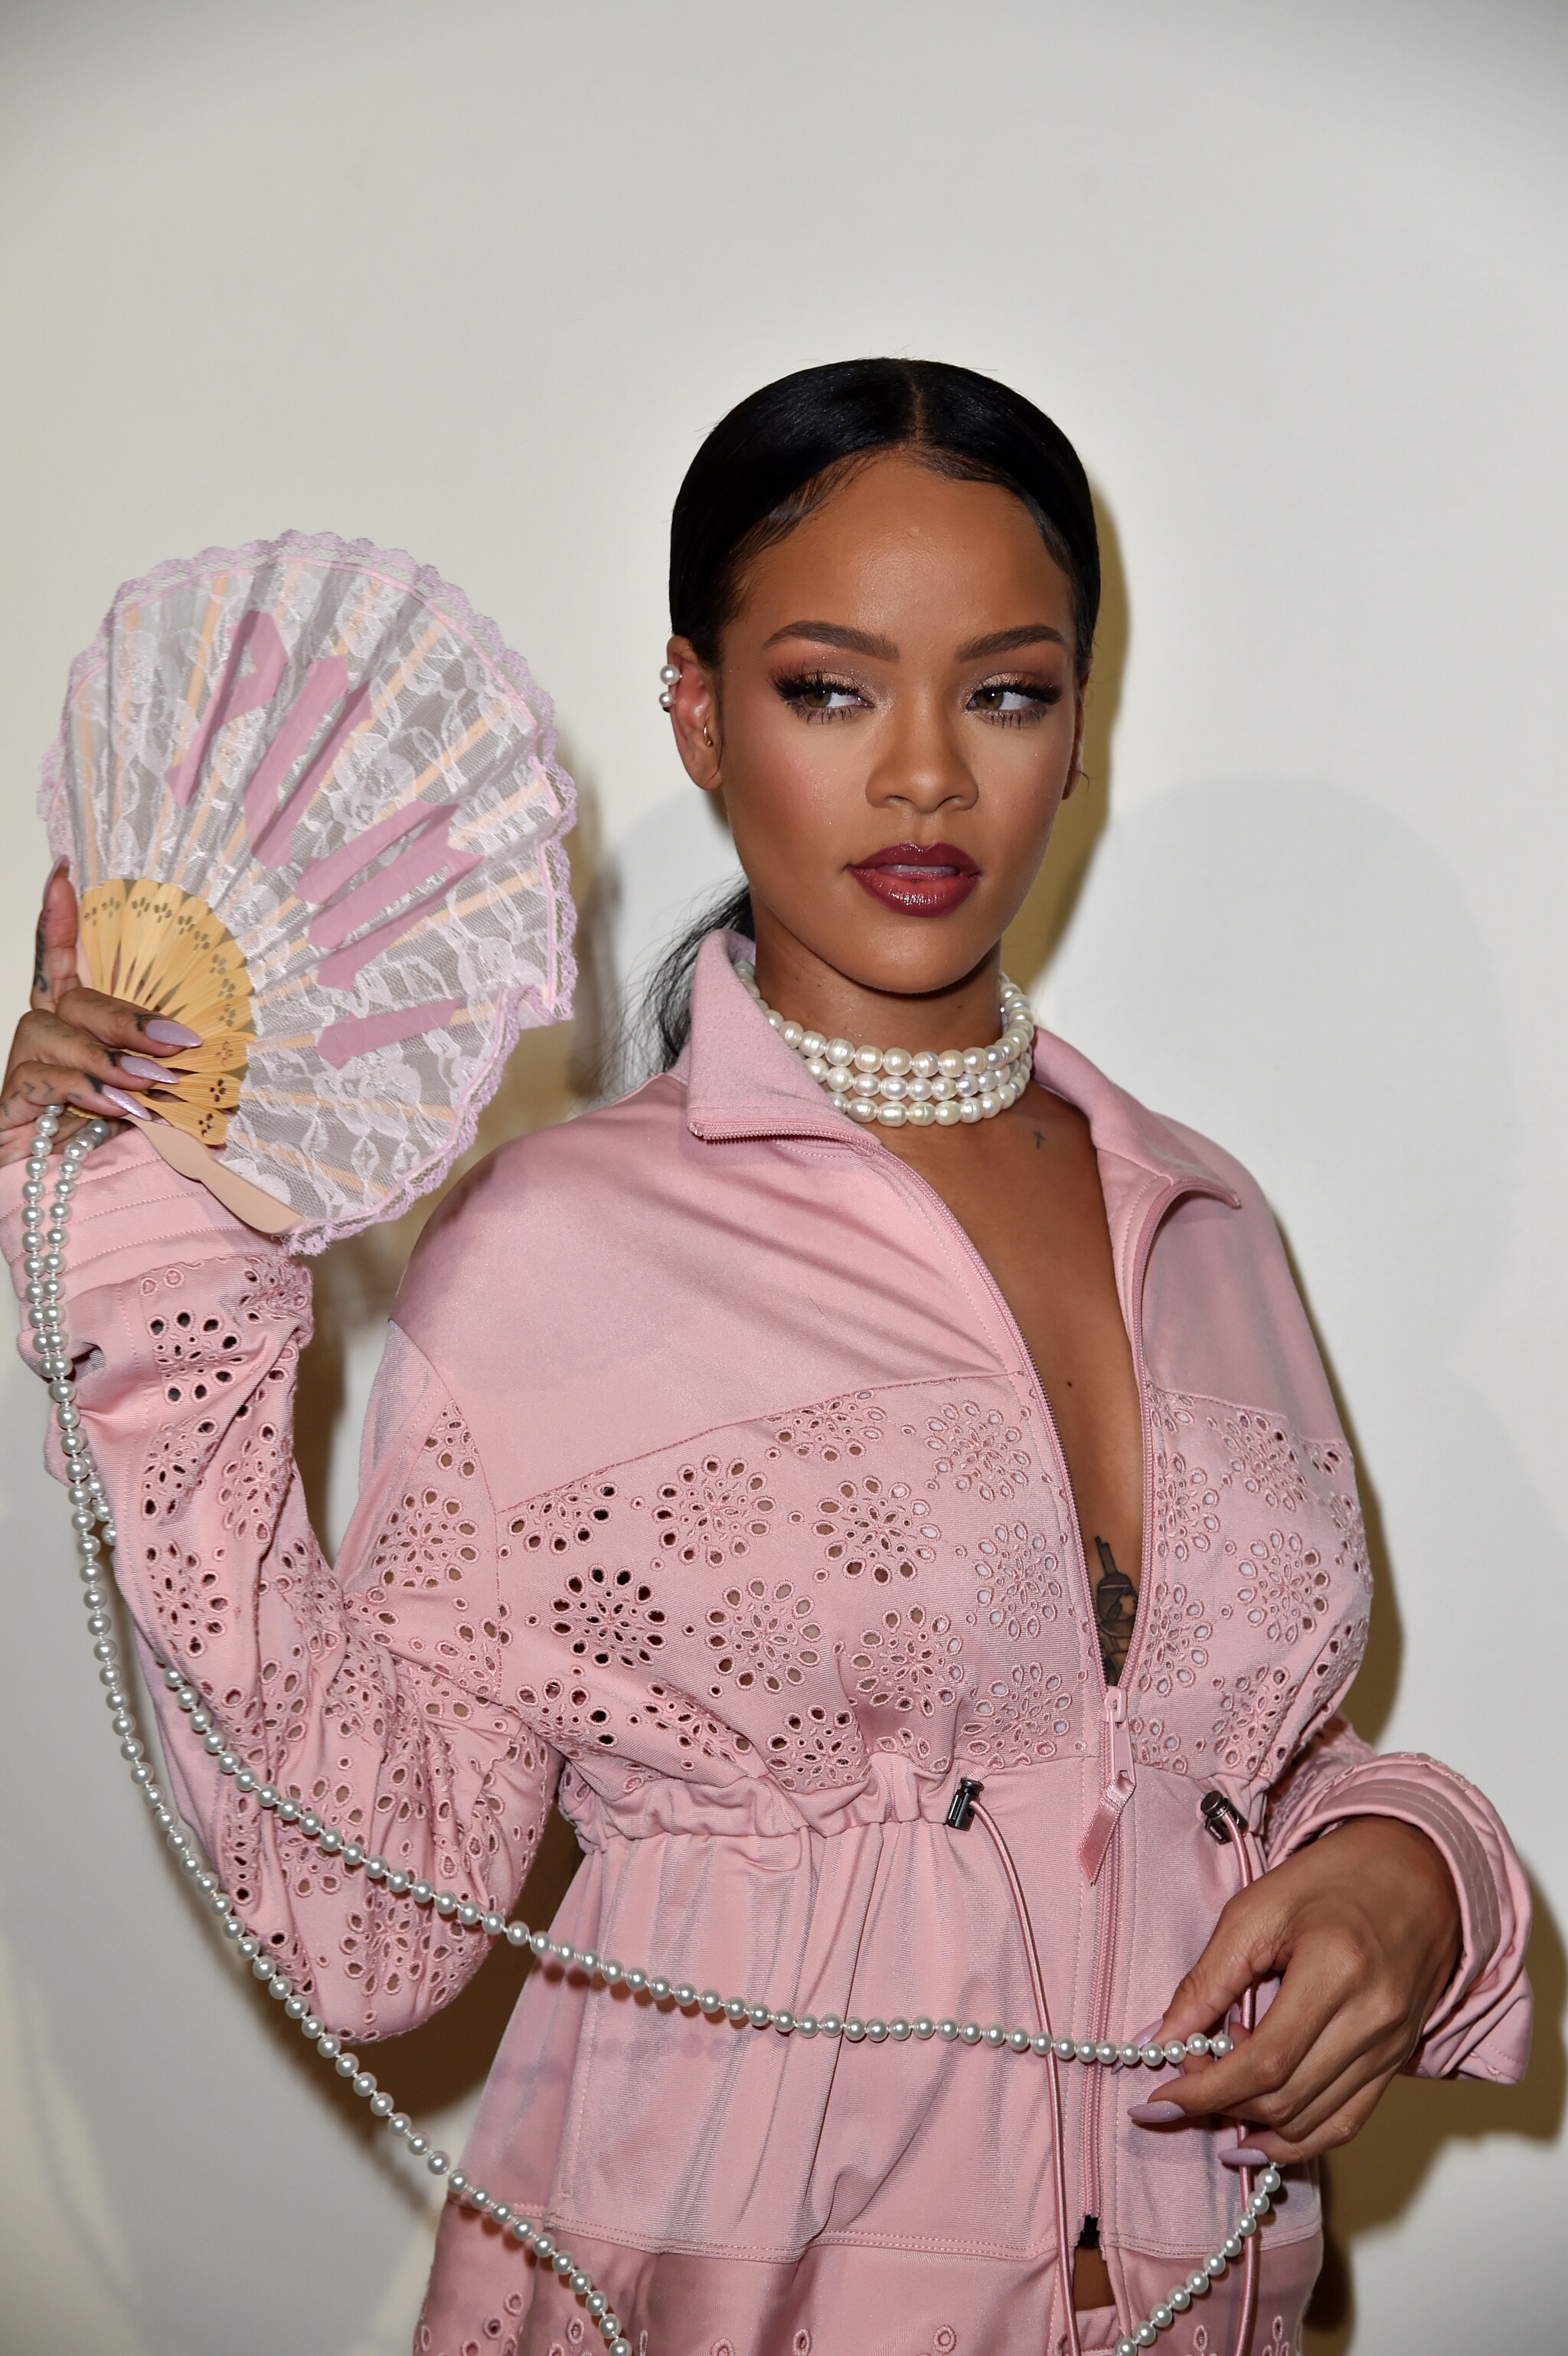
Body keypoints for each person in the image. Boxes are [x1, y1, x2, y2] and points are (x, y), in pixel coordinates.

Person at [0, 360, 1530, 2356]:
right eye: (830, 689)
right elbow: (370, 1917)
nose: (926, 778)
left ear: (1079, 725)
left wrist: (1414, 1873)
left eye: (1006, 693)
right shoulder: (556, 1247)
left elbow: (1199, 1760)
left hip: (1222, 2305)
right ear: (700, 712)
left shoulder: (1212, 1220)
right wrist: (141, 1267)